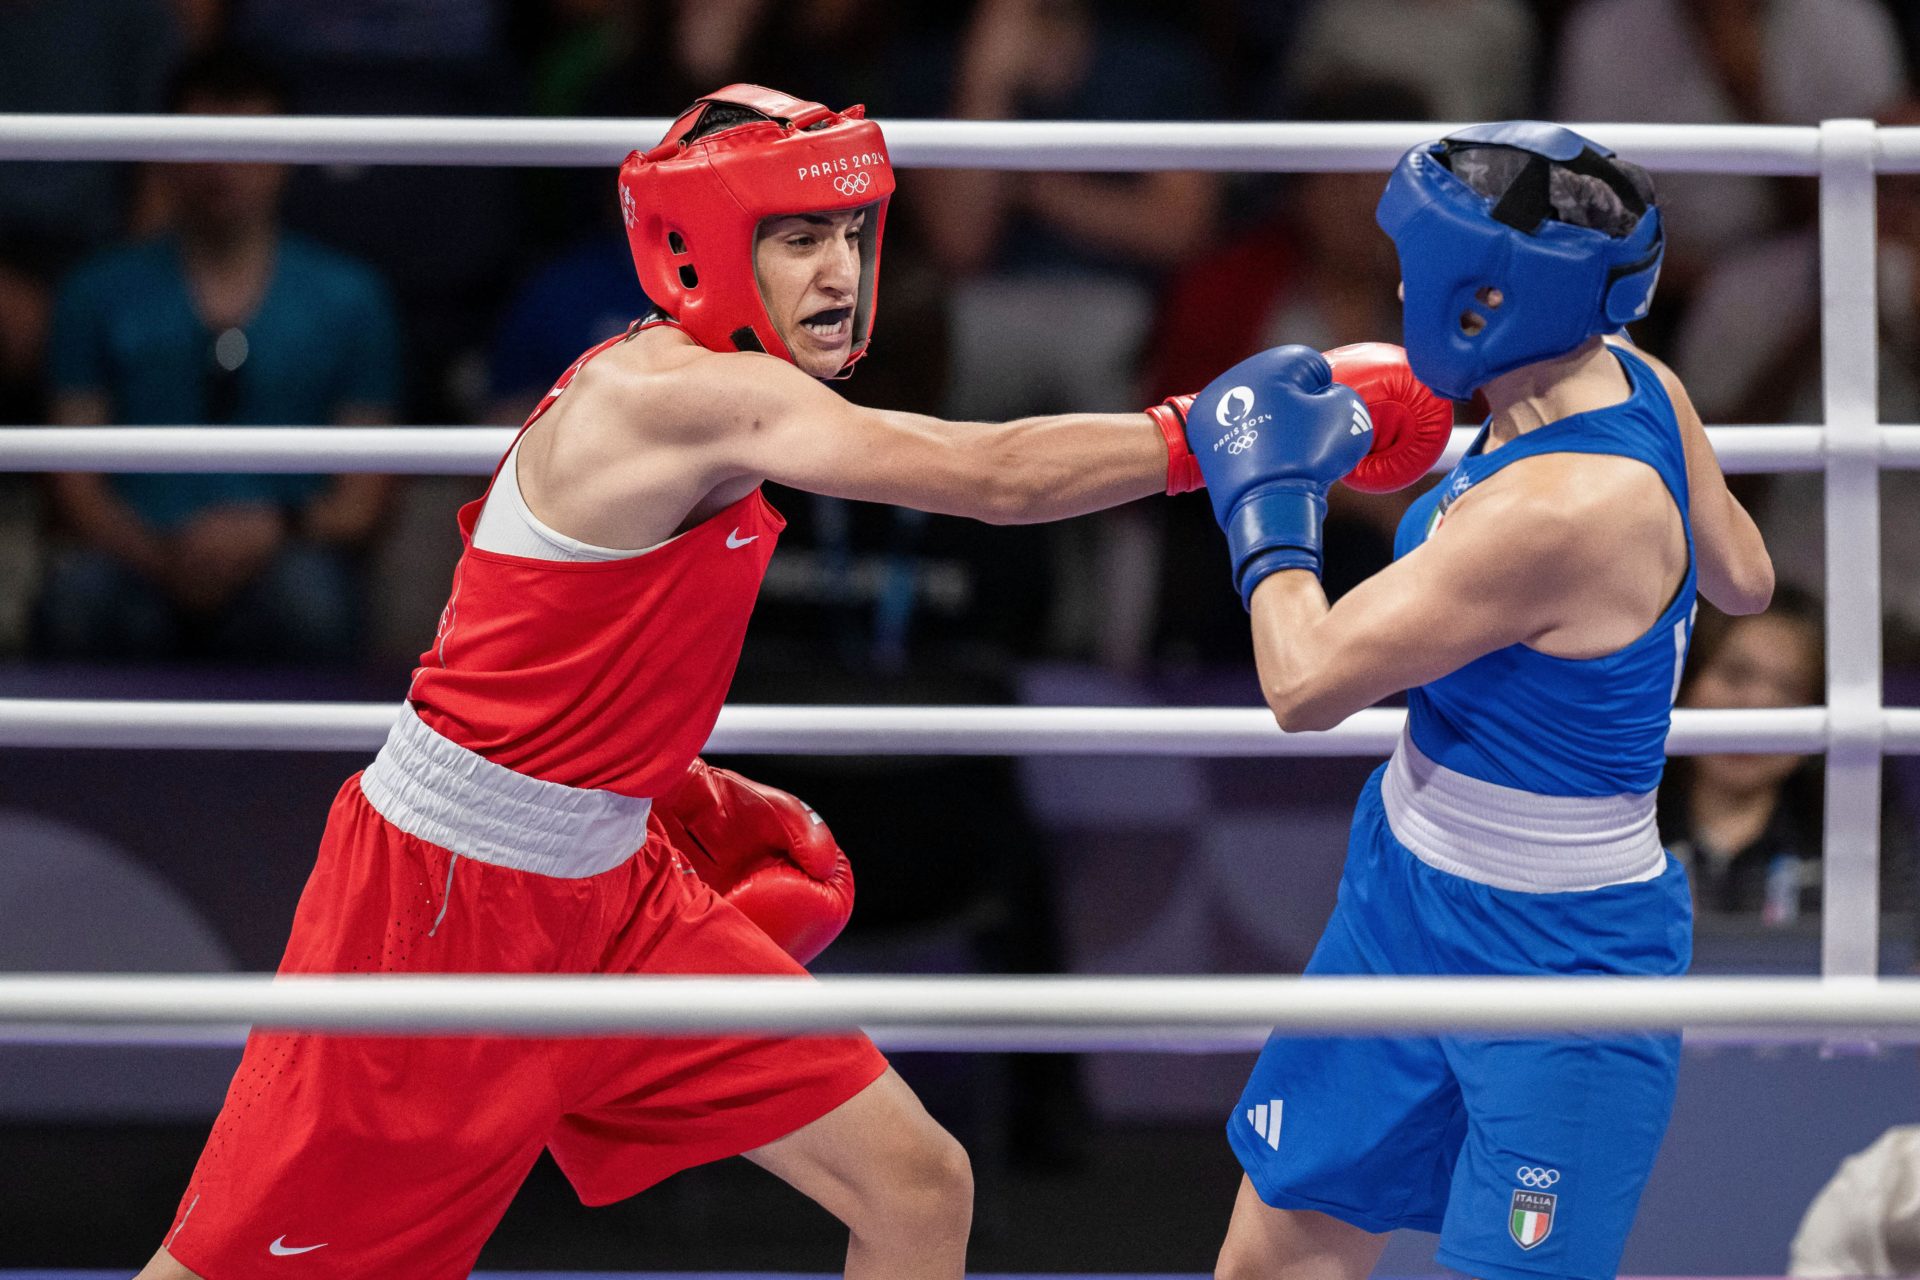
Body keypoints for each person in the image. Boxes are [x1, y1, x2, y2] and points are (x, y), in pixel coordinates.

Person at [138, 85, 1448, 1280]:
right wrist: (1205, 438)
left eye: (855, 237)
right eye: (798, 240)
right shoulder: (677, 398)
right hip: (441, 906)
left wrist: (639, 778)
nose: (840, 275)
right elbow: (988, 478)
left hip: (615, 888)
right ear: (704, 247)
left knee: (915, 1183)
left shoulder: (725, 392)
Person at [1184, 123, 1774, 1280]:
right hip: (1403, 888)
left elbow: (1302, 683)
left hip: (1561, 960)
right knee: (1270, 1256)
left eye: (1424, 268)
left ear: (1488, 295)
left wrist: (1272, 506)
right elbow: (1744, 575)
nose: (1404, 285)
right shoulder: (1642, 380)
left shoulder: (1557, 513)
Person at [37, 50, 401, 666]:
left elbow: (363, 499)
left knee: (310, 599)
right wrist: (154, 553)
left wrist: (269, 531)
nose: (222, 167)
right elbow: (71, 481)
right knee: (77, 596)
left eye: (246, 142)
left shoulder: (351, 297)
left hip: (284, 557)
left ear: (287, 154)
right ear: (164, 153)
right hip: (132, 558)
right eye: (201, 140)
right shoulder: (96, 290)